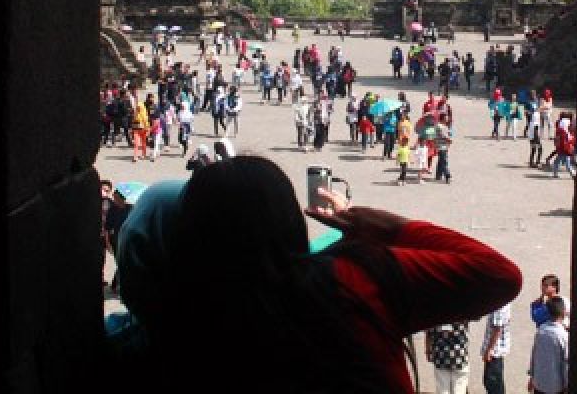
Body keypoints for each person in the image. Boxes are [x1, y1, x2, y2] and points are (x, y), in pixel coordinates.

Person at [110, 156, 522, 393]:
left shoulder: (154, 345)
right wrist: (390, 227)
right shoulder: (354, 278)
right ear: (290, 219)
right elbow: (498, 275)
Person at [527, 296, 569, 394]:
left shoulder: (541, 331)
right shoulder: (563, 336)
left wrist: (532, 377)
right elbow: (566, 363)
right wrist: (567, 384)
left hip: (539, 383)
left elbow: (534, 355)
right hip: (556, 386)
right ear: (564, 312)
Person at [424, 321, 470, 394]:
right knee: (459, 387)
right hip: (459, 356)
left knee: (442, 388)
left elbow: (428, 333)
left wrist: (427, 350)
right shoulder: (462, 311)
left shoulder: (431, 312)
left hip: (440, 356)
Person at [481, 300, 513, 394]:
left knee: (492, 382)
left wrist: (489, 350)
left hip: (495, 351)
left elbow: (497, 329)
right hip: (496, 350)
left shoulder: (500, 305)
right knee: (494, 382)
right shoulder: (504, 301)